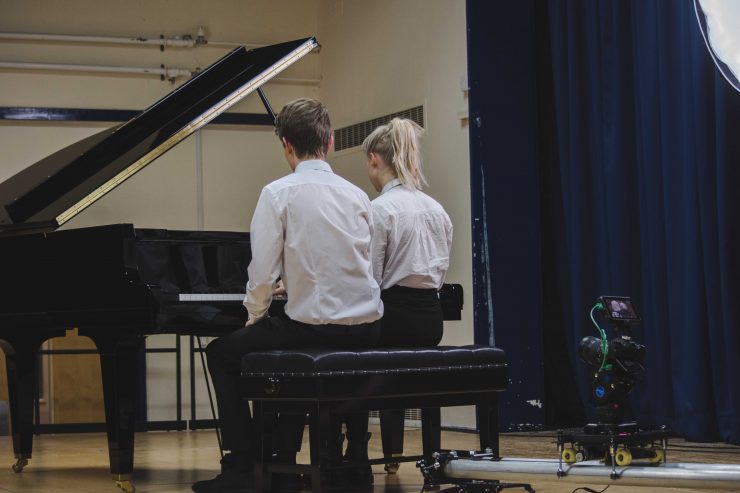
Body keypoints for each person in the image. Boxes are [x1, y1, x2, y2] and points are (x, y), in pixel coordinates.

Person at [193, 98, 383, 493]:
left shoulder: (278, 193)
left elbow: (262, 275)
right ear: (329, 142)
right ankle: (329, 461)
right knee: (284, 336)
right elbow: (362, 265)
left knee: (221, 353)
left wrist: (255, 317)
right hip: (366, 330)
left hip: (314, 331)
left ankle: (244, 467)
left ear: (286, 145)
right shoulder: (357, 196)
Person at [361, 117, 453, 471]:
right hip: (431, 318)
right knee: (416, 377)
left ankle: (388, 456)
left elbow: (372, 277)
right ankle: (431, 455)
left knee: (370, 367)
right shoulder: (436, 208)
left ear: (374, 159)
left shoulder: (380, 208)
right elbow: (440, 273)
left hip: (393, 316)